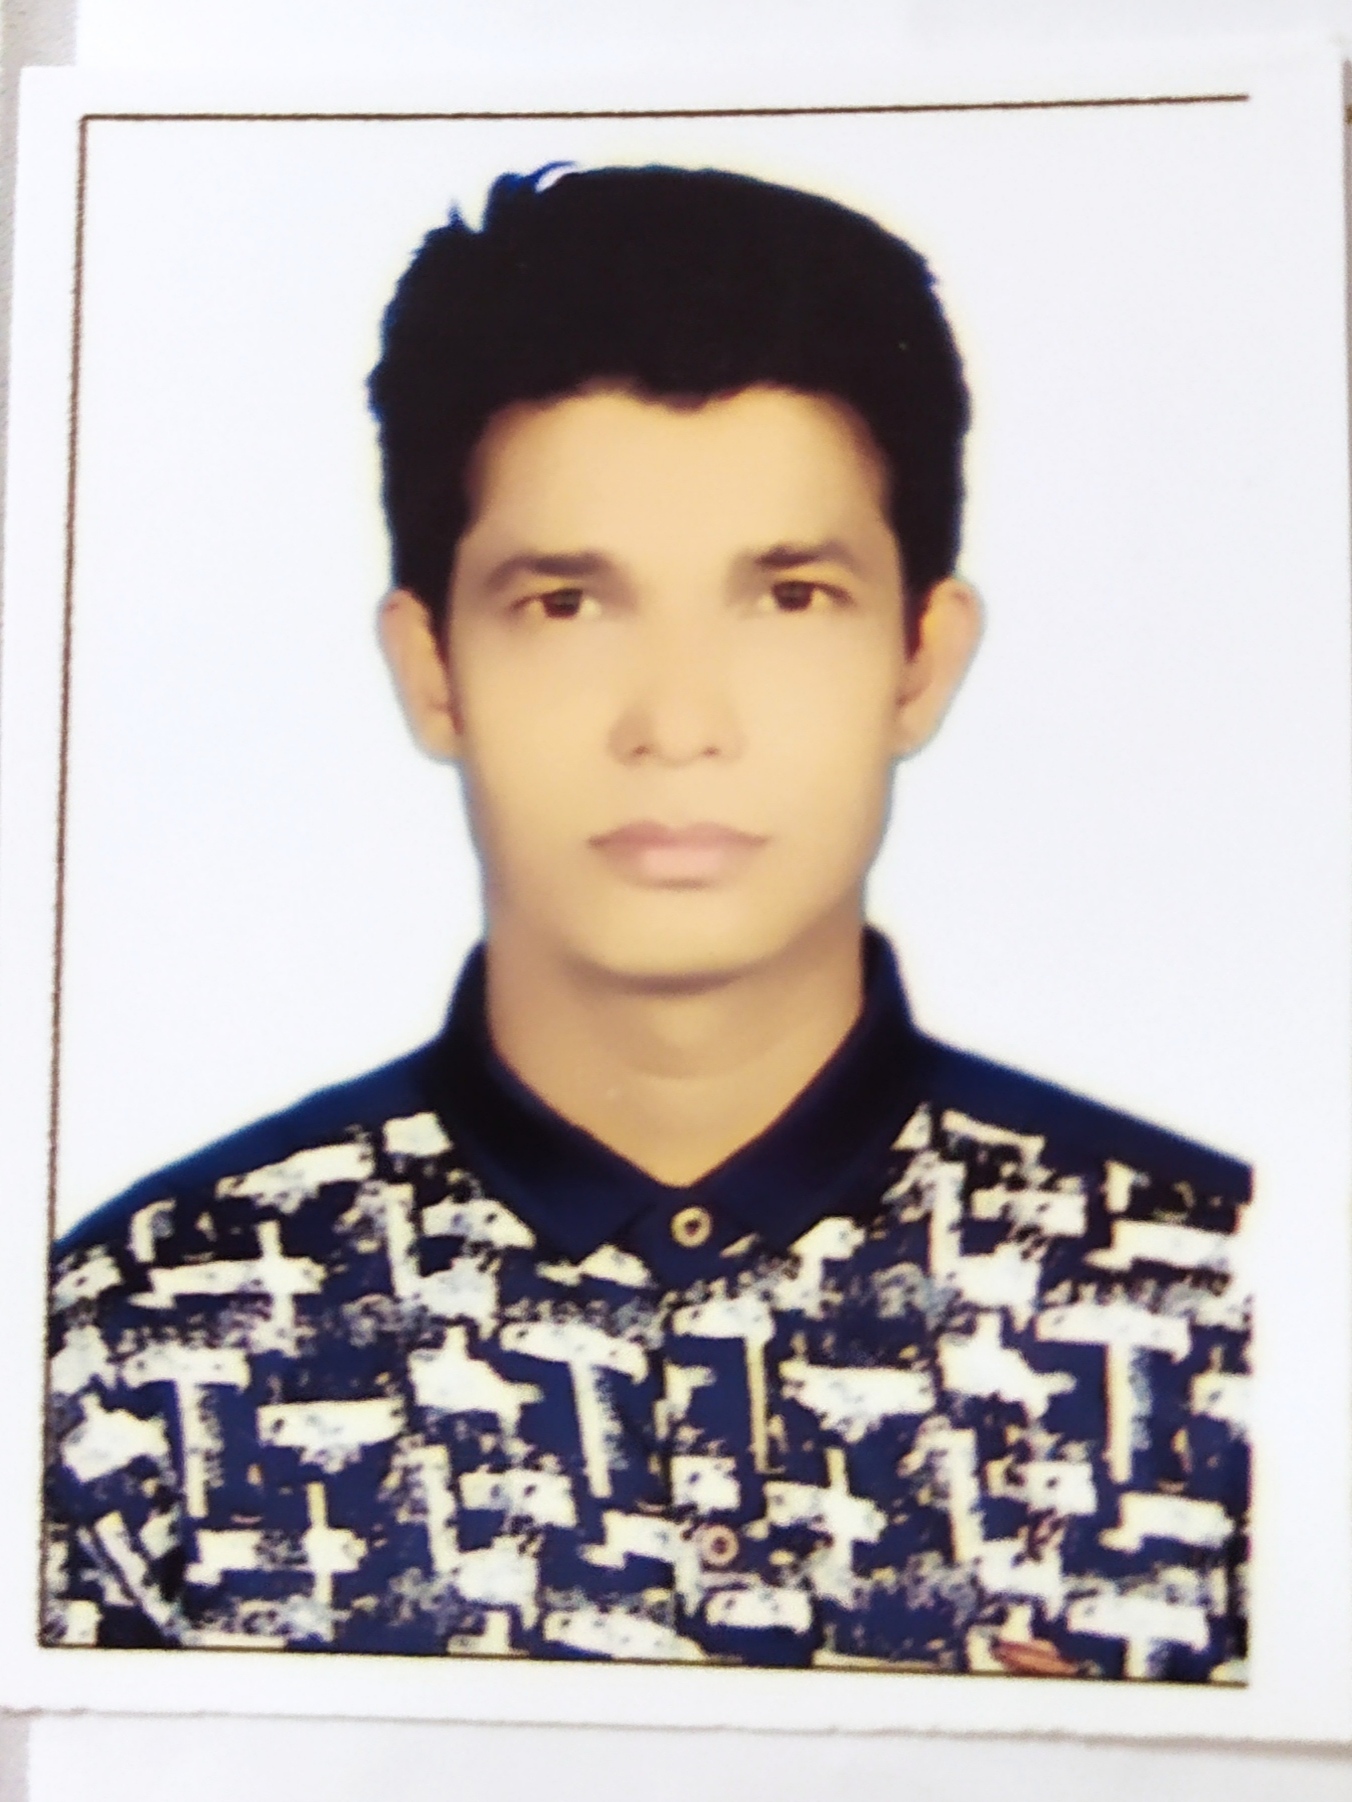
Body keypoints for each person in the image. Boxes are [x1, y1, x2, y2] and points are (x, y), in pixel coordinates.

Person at [44, 164, 1251, 1680]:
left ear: (921, 657)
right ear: (432, 668)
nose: (678, 723)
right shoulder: (126, 1361)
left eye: (790, 596)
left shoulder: (1240, 1322)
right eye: (567, 603)